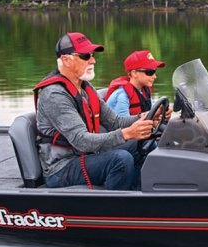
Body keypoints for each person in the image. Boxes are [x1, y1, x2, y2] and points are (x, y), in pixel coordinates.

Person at [34, 32, 156, 191]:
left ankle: (141, 192)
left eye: (92, 55)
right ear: (66, 60)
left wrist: (144, 117)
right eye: (86, 56)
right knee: (120, 159)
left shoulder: (85, 87)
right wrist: (126, 134)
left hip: (86, 155)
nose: (93, 60)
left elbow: (115, 122)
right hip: (61, 167)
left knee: (144, 144)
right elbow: (81, 141)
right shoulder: (55, 95)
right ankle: (115, 204)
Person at [104, 49, 166, 116]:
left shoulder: (144, 91)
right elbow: (123, 122)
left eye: (155, 71)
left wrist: (161, 113)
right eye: (150, 72)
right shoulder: (123, 96)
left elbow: (151, 110)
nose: (154, 76)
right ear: (134, 73)